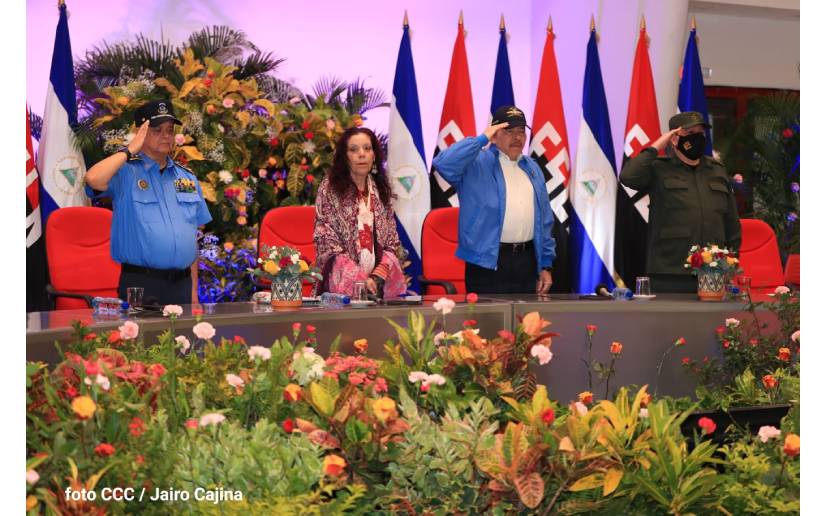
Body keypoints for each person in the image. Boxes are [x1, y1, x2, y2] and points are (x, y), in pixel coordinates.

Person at [84, 100, 212, 305]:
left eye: (170, 130)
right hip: (142, 285)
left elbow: (192, 236)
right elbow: (93, 179)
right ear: (141, 133)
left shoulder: (187, 177)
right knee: (144, 337)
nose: (166, 135)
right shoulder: (125, 172)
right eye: (157, 129)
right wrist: (129, 150)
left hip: (182, 286)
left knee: (182, 338)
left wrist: (194, 292)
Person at [432, 105, 556, 294]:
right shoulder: (474, 164)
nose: (517, 137)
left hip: (527, 262)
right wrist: (482, 138)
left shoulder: (532, 167)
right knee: (489, 322)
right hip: (487, 263)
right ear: (495, 135)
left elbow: (545, 220)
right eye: (509, 131)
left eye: (521, 131)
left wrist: (545, 265)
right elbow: (443, 162)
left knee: (525, 323)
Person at [620, 111, 741, 293]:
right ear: (675, 139)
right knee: (670, 322)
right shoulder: (659, 168)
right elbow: (628, 177)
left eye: (700, 133)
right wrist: (657, 146)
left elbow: (731, 221)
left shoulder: (717, 170)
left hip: (713, 270)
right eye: (690, 134)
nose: (697, 138)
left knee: (712, 322)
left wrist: (731, 262)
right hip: (670, 271)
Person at [314, 127, 407, 299]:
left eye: (367, 148)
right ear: (345, 157)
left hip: (377, 284)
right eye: (354, 150)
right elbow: (326, 239)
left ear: (374, 155)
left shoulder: (380, 188)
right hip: (341, 285)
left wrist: (377, 275)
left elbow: (392, 241)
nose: (362, 154)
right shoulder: (330, 188)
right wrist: (358, 278)